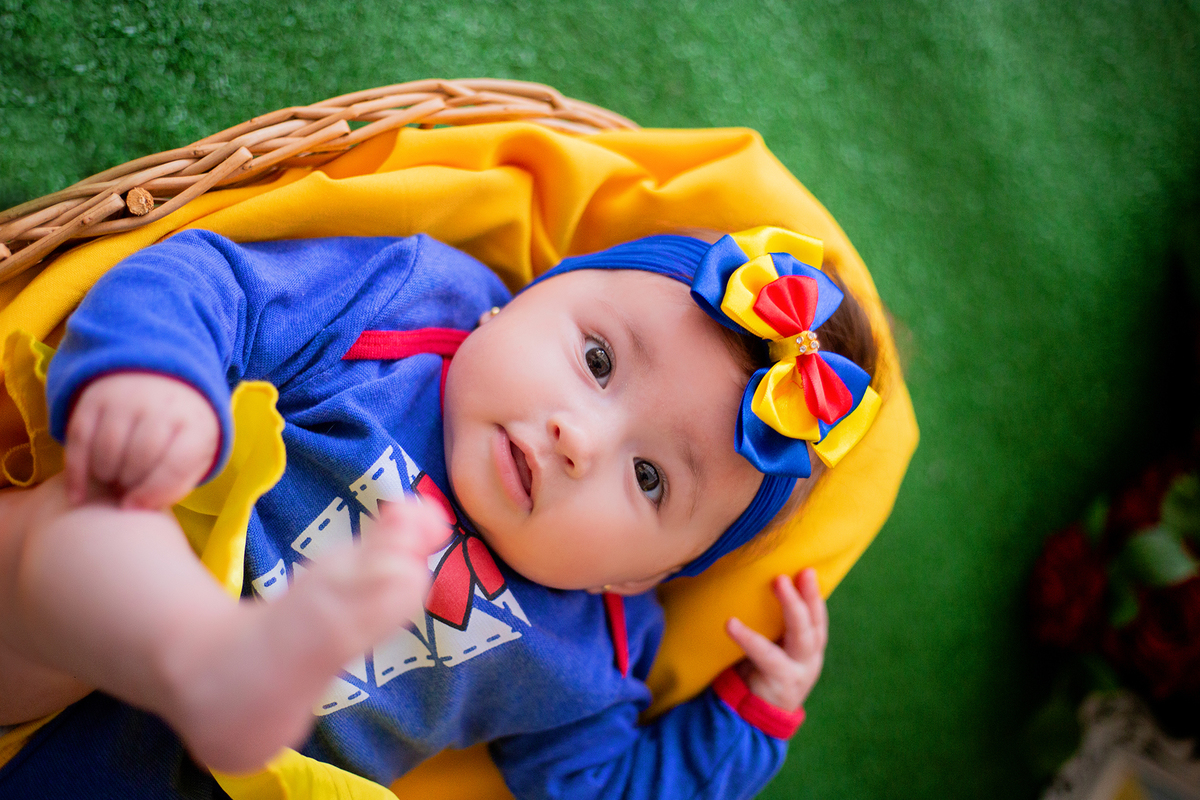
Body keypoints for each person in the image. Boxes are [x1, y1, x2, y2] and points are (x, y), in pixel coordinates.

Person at [0, 225, 879, 799]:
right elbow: (220, 284)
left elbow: (602, 790)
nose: (580, 438)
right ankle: (206, 655)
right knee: (82, 539)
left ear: (640, 576)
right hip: (115, 601)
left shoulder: (588, 654)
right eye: (599, 361)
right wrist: (161, 372)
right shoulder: (410, 309)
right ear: (522, 299)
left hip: (245, 784)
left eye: (649, 479)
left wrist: (750, 722)